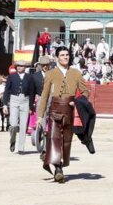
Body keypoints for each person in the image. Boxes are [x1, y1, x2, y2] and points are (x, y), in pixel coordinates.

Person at [37, 45, 91, 183]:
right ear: (57, 58)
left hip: (69, 110)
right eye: (62, 55)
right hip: (54, 109)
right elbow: (44, 95)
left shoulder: (76, 73)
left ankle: (51, 157)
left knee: (66, 140)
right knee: (55, 138)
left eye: (67, 55)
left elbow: (86, 92)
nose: (65, 57)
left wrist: (77, 102)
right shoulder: (51, 74)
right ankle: (58, 168)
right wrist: (40, 116)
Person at [3, 65, 28, 153]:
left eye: (21, 66)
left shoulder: (29, 77)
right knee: (13, 124)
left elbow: (32, 91)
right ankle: (12, 140)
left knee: (23, 125)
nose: (19, 67)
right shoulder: (11, 76)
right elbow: (6, 91)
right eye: (18, 66)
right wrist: (5, 104)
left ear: (25, 67)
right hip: (14, 100)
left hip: (25, 101)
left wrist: (31, 106)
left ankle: (21, 148)